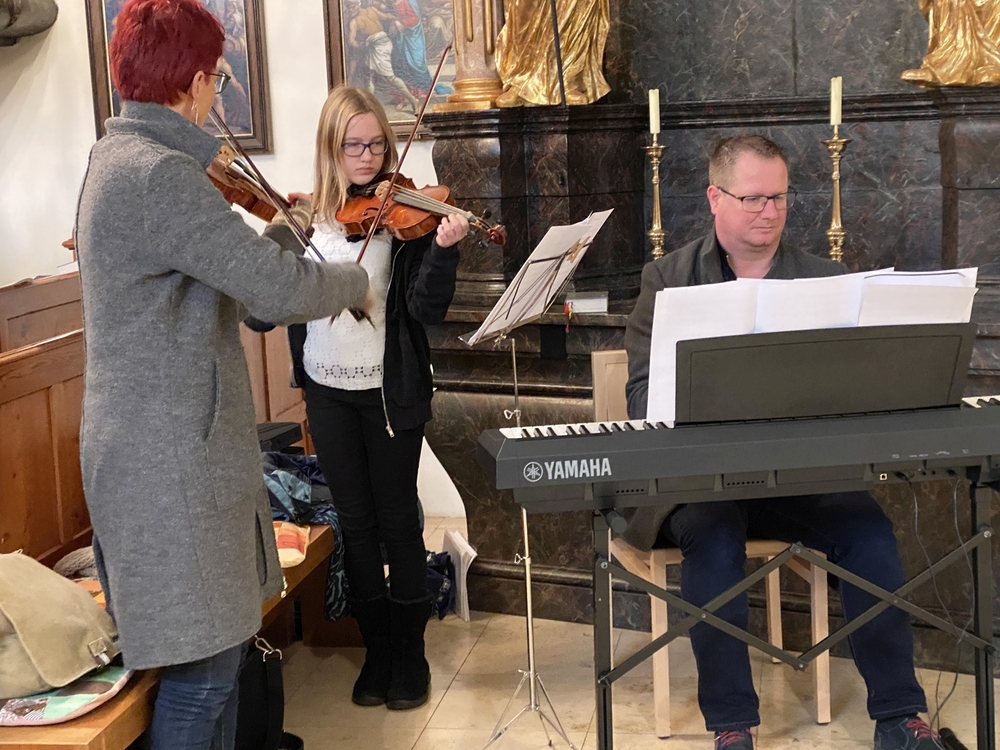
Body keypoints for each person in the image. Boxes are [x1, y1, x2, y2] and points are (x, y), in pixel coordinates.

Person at [74, 2, 371, 749]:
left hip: (158, 449)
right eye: (217, 77)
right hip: (166, 457)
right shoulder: (159, 175)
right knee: (205, 670)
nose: (218, 91)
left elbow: (223, 279)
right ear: (195, 81)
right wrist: (354, 281)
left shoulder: (124, 157)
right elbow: (278, 293)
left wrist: (280, 233)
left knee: (219, 658)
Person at [623, 135, 945, 750]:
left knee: (868, 531)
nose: (769, 212)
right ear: (715, 197)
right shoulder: (668, 279)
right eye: (753, 198)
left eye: (779, 197)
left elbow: (853, 388)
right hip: (705, 481)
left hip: (796, 478)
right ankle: (733, 727)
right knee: (713, 538)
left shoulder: (824, 279)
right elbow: (641, 396)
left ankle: (900, 717)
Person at [283, 85, 468, 710]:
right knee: (354, 525)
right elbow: (275, 305)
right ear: (329, 150)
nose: (367, 158)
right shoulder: (305, 221)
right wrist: (280, 239)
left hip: (388, 393)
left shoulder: (403, 220)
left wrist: (442, 251)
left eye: (377, 146)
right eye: (353, 146)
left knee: (398, 522)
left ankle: (411, 657)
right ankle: (377, 652)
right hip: (326, 391)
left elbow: (425, 308)